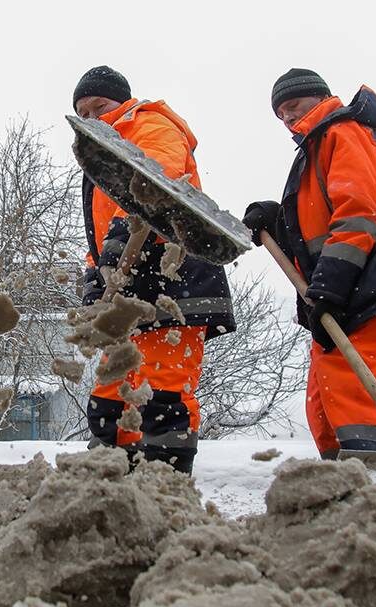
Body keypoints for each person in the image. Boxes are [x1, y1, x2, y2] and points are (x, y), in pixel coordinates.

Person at [242, 68, 376, 459]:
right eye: (280, 115)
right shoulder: (315, 148)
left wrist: (331, 284)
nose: (287, 119)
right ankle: (341, 486)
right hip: (343, 283)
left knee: (351, 386)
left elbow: (359, 213)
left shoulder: (341, 132)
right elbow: (316, 228)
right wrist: (276, 219)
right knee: (323, 397)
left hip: (373, 276)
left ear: (319, 97)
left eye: (292, 107)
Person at [73, 65, 235, 475]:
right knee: (113, 388)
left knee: (162, 385)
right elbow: (100, 233)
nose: (93, 118)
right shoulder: (98, 157)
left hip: (173, 276)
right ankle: (110, 478)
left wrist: (118, 240)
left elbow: (154, 184)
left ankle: (162, 485)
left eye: (101, 106)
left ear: (123, 102)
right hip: (125, 284)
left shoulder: (149, 123)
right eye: (83, 112)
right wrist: (97, 278)